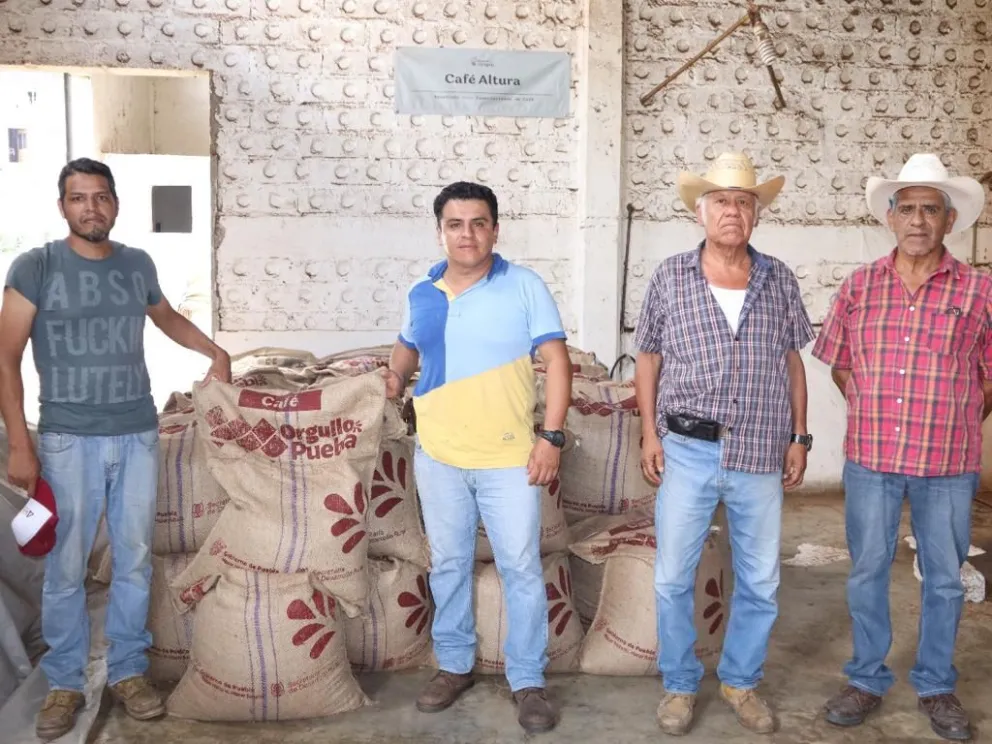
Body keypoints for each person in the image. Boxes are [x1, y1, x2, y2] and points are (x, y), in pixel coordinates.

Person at [0, 158, 232, 741]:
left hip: (135, 431)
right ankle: (65, 683)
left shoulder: (136, 264)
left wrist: (216, 352)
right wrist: (21, 445)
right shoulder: (37, 266)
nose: (91, 208)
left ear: (115, 203)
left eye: (101, 197)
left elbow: (166, 317)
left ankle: (129, 671)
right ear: (62, 207)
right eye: (78, 198)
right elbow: (6, 357)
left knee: (132, 559)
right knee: (66, 566)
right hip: (66, 437)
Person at [633, 152, 814, 736]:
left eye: (743, 201)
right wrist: (647, 433)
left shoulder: (778, 278)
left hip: (761, 451)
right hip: (686, 447)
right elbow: (649, 360)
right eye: (721, 202)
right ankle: (680, 686)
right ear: (701, 212)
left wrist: (800, 437)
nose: (732, 211)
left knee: (761, 579)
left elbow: (793, 364)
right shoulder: (670, 276)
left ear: (756, 215)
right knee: (672, 578)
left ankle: (740, 681)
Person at [382, 181, 572, 734]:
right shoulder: (422, 288)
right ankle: (455, 665)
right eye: (455, 224)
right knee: (448, 564)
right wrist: (393, 377)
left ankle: (528, 680)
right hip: (438, 455)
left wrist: (551, 437)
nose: (467, 234)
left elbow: (557, 363)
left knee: (519, 567)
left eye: (479, 223)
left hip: (509, 458)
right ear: (440, 230)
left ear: (495, 228)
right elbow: (407, 346)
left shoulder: (524, 286)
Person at [813, 153, 991, 742]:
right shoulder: (859, 286)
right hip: (872, 460)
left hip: (946, 463)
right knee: (867, 570)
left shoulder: (979, 291)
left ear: (949, 220)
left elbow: (990, 376)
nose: (918, 220)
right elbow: (840, 364)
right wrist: (868, 400)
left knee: (944, 578)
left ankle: (936, 684)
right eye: (907, 208)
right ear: (890, 217)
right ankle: (865, 677)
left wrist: (958, 412)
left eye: (930, 209)